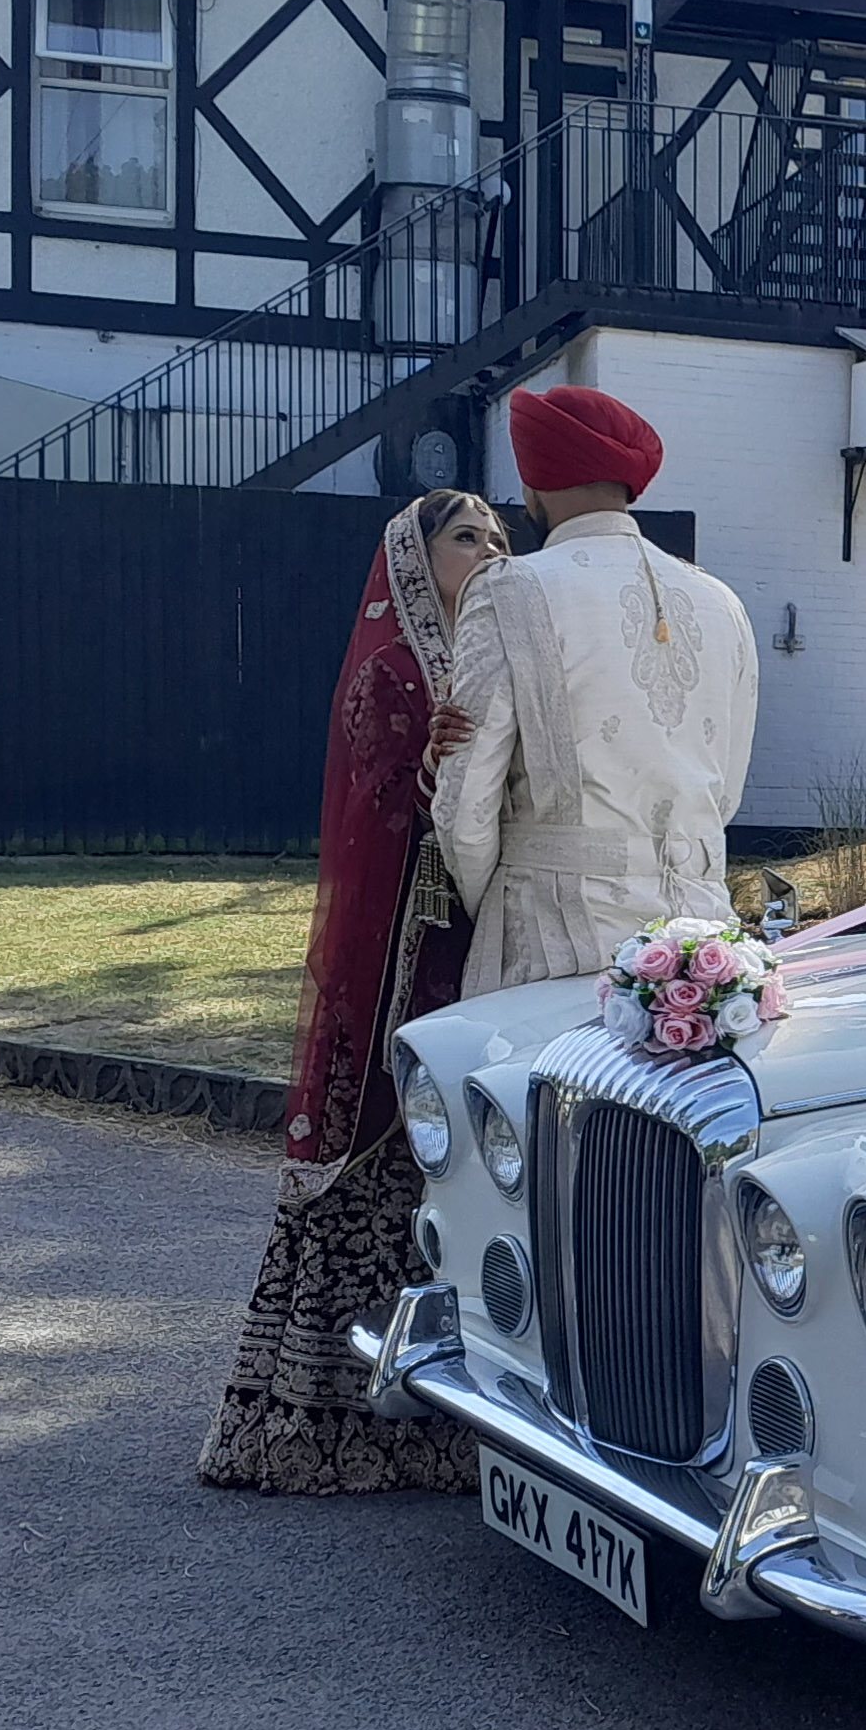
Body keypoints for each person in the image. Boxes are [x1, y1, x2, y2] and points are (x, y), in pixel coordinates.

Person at [199, 488, 509, 1496]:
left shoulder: (483, 664)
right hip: (395, 966)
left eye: (503, 536)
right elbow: (376, 806)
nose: (492, 550)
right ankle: (314, 1420)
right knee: (380, 1168)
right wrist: (433, 767)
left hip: (467, 954)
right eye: (470, 537)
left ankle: (440, 1422)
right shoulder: (391, 669)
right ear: (418, 561)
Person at [435, 384, 761, 992]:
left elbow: (466, 797)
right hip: (702, 941)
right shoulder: (723, 602)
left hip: (552, 934)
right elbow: (726, 792)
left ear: (533, 485)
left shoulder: (509, 588)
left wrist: (495, 901)